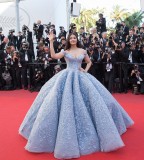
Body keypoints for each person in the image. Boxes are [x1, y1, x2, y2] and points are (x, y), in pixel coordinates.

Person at [19, 31, 134, 159]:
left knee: (96, 101)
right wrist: (51, 41)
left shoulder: (83, 50)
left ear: (76, 39)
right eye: (71, 38)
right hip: (66, 76)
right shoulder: (65, 51)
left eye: (74, 37)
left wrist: (85, 70)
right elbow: (54, 55)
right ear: (69, 40)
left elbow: (89, 62)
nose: (73, 39)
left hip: (81, 77)